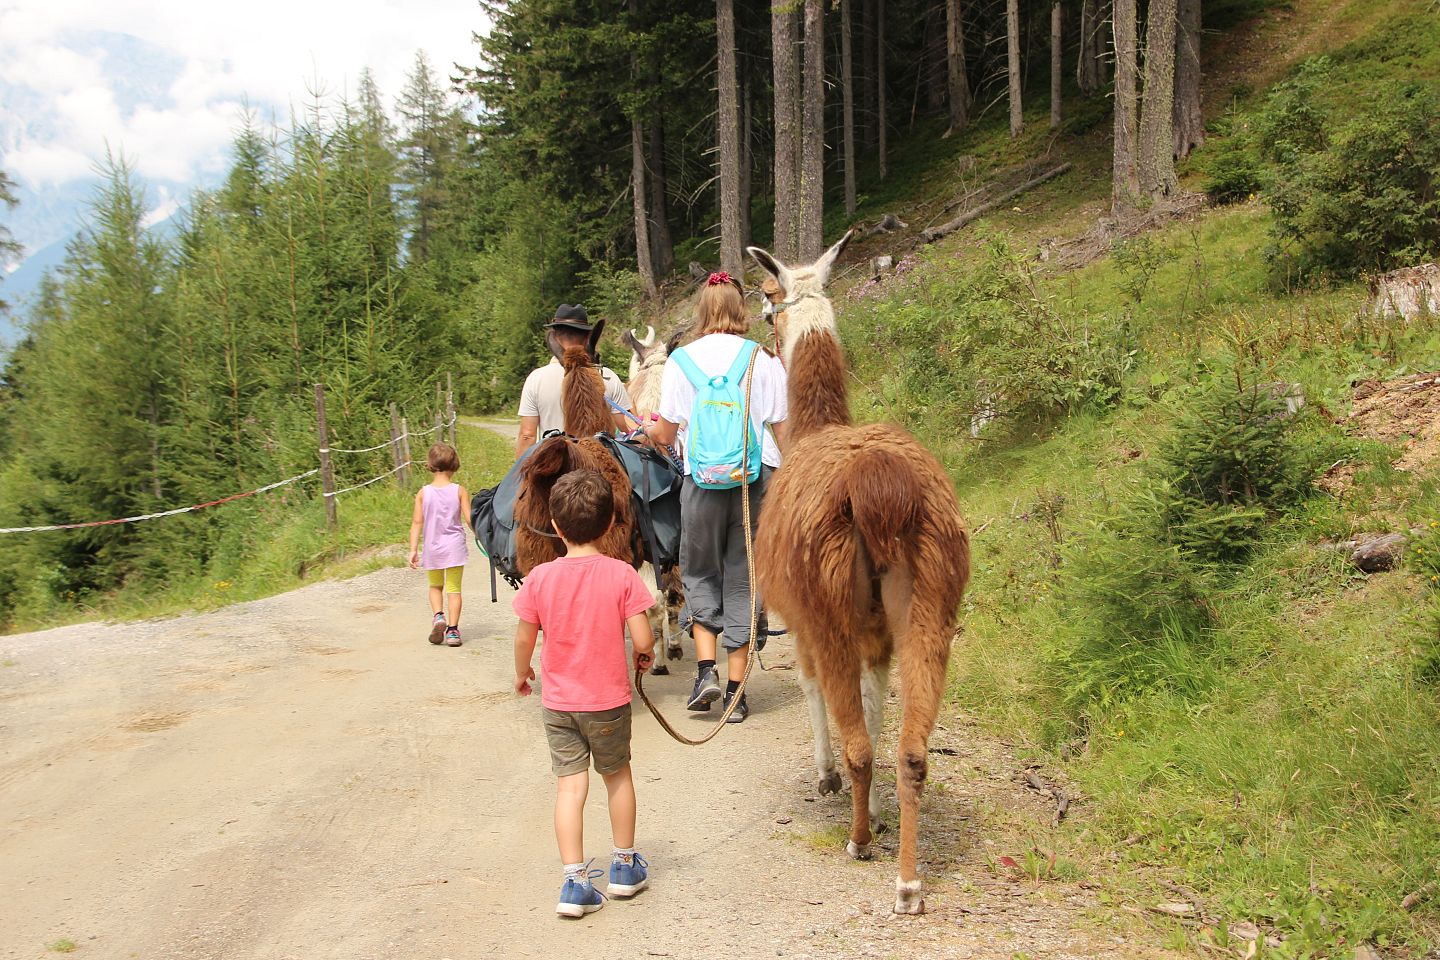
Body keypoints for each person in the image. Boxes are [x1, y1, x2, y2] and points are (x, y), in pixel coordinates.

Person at [643, 271, 788, 723]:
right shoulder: (763, 360)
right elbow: (783, 431)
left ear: (703, 313)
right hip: (754, 482)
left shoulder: (681, 362)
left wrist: (650, 432)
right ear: (740, 310)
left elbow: (665, 435)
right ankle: (736, 692)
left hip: (701, 485)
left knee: (701, 573)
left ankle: (704, 671)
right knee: (743, 578)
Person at [512, 469, 657, 918]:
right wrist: (644, 656)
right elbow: (643, 637)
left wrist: (523, 673)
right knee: (617, 776)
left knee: (570, 788)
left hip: (558, 703)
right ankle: (624, 867)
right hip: (608, 701)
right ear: (613, 521)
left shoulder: (538, 579)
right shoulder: (622, 574)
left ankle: (574, 884)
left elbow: (524, 637)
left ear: (555, 526)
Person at [516, 303, 633, 457]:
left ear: (555, 338)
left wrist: (521, 475)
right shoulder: (608, 377)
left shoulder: (536, 379)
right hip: (598, 462)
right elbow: (626, 427)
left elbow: (527, 435)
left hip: (554, 461)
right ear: (587, 339)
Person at [408, 442, 472, 647]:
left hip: (432, 547)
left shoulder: (423, 493)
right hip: (454, 547)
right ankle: (453, 631)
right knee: (454, 589)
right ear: (455, 465)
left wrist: (413, 550)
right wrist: (484, 536)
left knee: (435, 586)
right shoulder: (459, 491)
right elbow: (470, 519)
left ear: (430, 465)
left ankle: (438, 616)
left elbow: (417, 522)